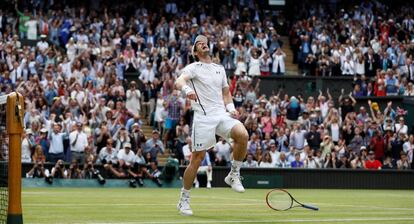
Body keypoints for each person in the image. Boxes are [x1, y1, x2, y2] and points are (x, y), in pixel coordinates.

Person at [175, 35, 248, 216]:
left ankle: (233, 174)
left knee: (242, 135)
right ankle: (184, 199)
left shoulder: (219, 69)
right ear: (195, 51)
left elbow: (226, 93)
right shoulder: (193, 68)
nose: (203, 43)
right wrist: (187, 90)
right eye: (199, 42)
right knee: (197, 160)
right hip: (202, 118)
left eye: (205, 41)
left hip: (220, 114)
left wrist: (231, 108)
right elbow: (179, 82)